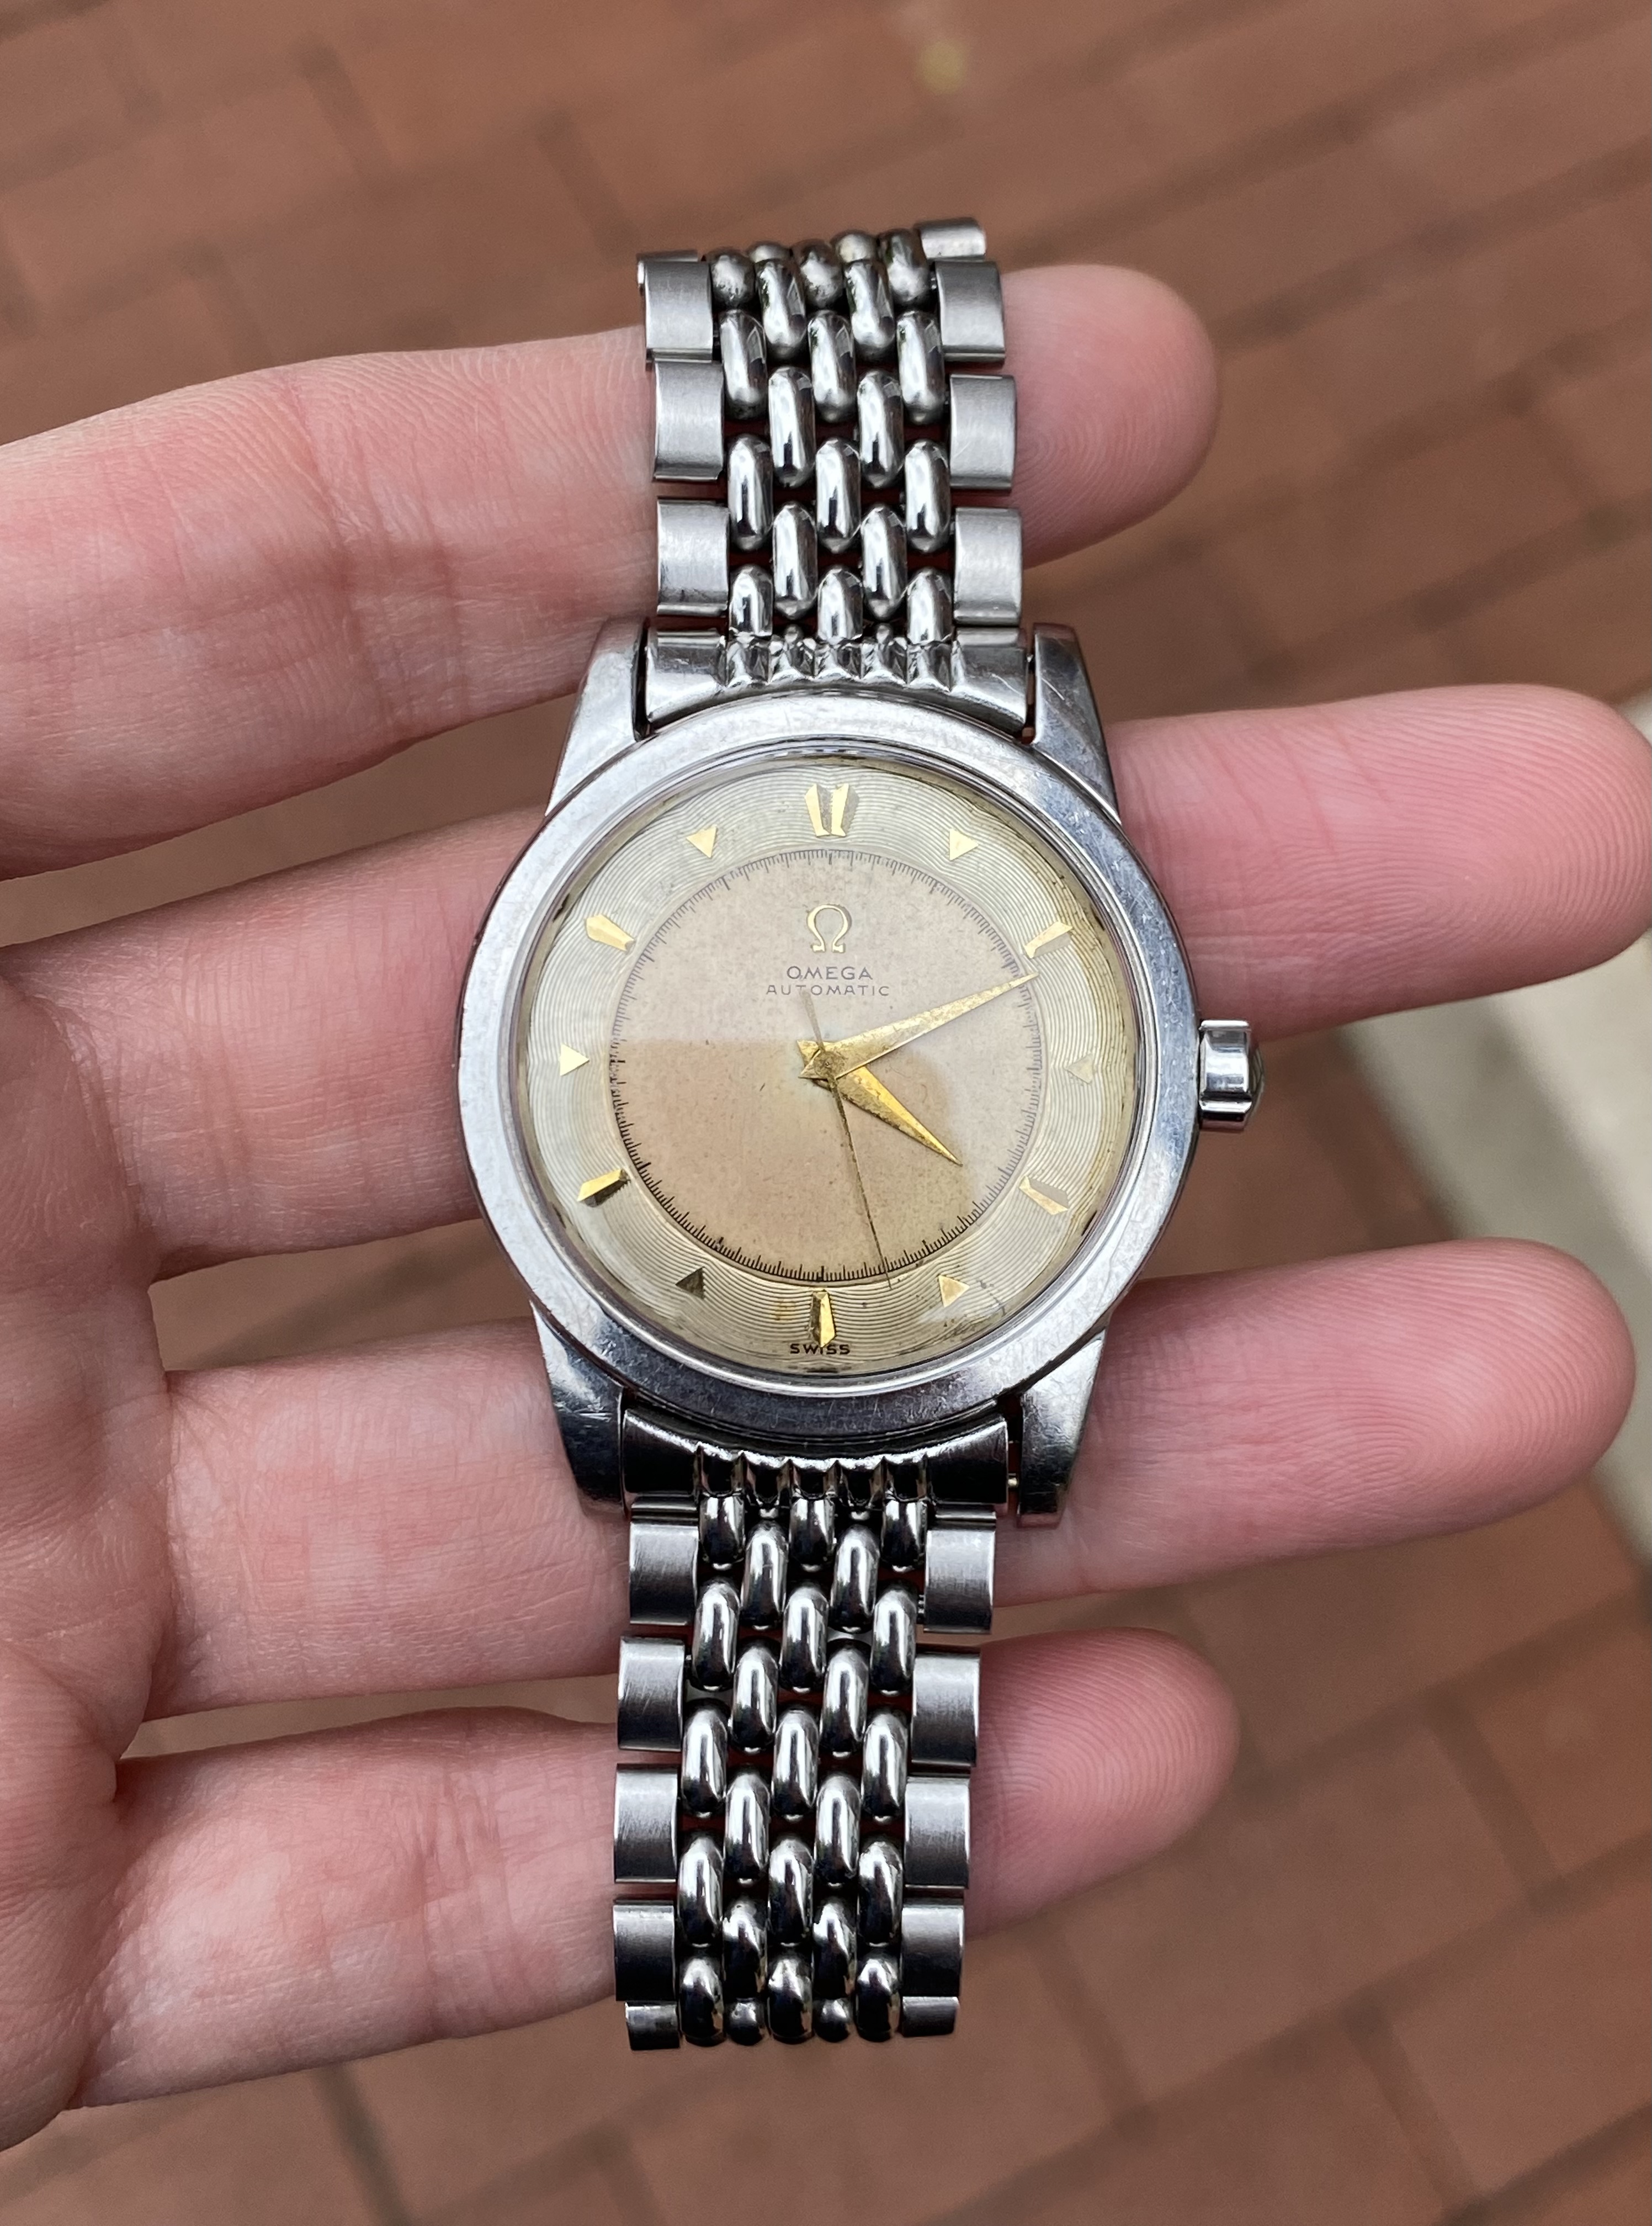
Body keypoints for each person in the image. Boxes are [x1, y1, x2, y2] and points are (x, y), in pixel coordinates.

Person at [0, 265, 1644, 2140]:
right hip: (717, 1340)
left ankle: (788, 1905)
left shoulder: (763, 763)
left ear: (1187, 1068)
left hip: (906, 1341)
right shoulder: (664, 763)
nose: (844, 1069)